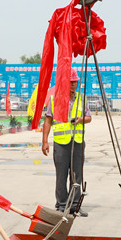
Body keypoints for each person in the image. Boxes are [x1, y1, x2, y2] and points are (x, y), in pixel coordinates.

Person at [42, 70, 92, 214]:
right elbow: (48, 120)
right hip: (61, 143)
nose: (73, 84)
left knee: (77, 174)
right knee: (61, 175)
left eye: (75, 82)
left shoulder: (82, 99)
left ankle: (75, 205)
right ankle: (62, 204)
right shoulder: (55, 99)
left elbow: (89, 117)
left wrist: (81, 119)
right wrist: (45, 141)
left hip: (77, 142)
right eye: (70, 82)